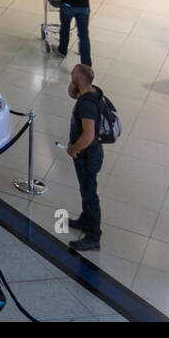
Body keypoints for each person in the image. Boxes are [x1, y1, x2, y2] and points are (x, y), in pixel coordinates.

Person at [65, 63, 103, 252]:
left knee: (90, 194)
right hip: (90, 154)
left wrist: (73, 148)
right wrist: (75, 85)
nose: (70, 74)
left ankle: (94, 236)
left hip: (87, 155)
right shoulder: (92, 91)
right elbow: (72, 93)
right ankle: (85, 220)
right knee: (86, 189)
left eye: (73, 73)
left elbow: (88, 135)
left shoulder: (87, 104)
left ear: (80, 78)